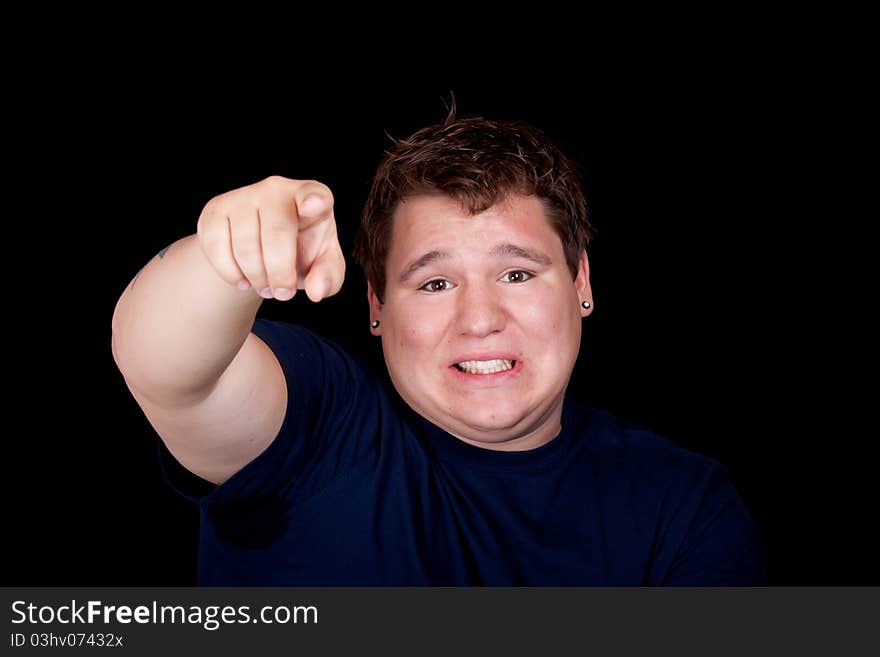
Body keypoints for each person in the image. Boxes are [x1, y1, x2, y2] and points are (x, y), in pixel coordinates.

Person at [111, 109, 767, 585]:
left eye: (516, 273)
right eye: (434, 281)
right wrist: (226, 262)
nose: (480, 319)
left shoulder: (684, 504)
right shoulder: (320, 419)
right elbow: (168, 369)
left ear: (580, 282)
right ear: (376, 305)